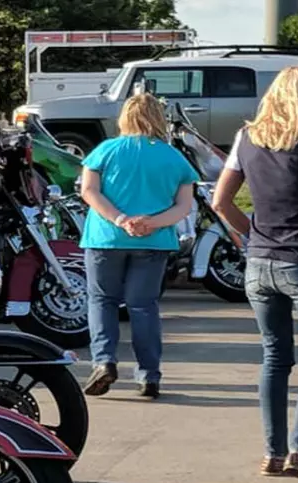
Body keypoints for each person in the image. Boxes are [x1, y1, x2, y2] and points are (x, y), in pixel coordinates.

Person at [212, 66, 298, 483]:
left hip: (260, 262)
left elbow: (221, 201)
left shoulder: (248, 138)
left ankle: (273, 452)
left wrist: (253, 236)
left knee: (275, 357)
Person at [79, 93, 199, 399]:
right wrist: (151, 222)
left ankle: (104, 361)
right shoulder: (174, 158)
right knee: (143, 306)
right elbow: (184, 207)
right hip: (154, 240)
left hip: (105, 238)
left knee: (102, 300)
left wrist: (121, 220)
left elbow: (89, 192)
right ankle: (149, 375)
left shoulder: (105, 151)